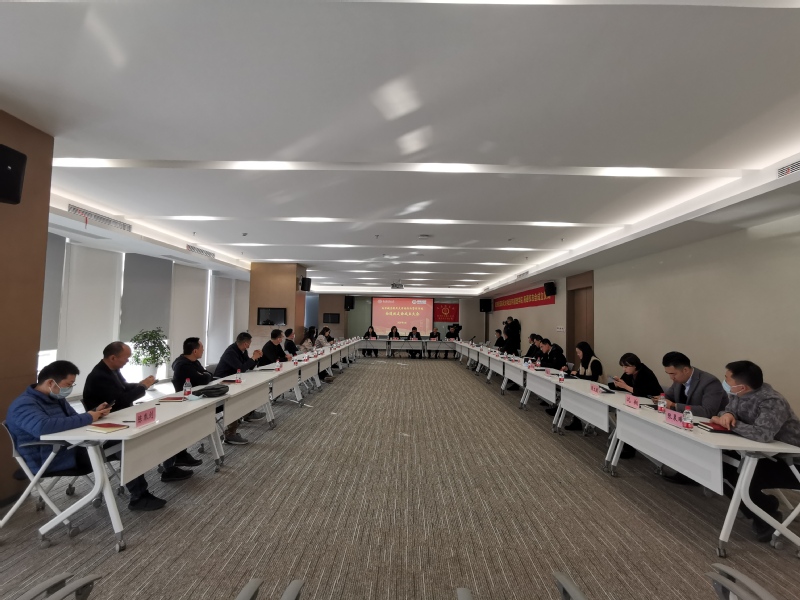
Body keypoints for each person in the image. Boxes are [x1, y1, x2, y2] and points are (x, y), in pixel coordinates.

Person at [7, 360, 166, 511]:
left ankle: (139, 494)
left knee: (128, 443)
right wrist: (89, 417)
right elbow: (42, 427)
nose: (70, 388)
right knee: (126, 447)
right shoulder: (24, 404)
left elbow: (73, 419)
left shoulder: (56, 398)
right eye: (68, 384)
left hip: (70, 446)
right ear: (50, 383)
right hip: (50, 457)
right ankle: (139, 497)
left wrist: (95, 412)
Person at [712, 360, 800, 542]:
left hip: (792, 461)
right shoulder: (738, 394)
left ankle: (766, 518)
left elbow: (762, 434)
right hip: (765, 454)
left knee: (744, 477)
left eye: (727, 378)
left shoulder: (772, 401)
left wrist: (731, 425)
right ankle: (766, 507)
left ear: (742, 386)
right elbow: (727, 412)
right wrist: (727, 415)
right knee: (721, 466)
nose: (725, 381)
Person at [83, 342, 197, 480]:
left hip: (122, 415)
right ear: (113, 357)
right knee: (149, 436)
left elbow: (124, 387)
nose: (128, 361)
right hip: (109, 424)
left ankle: (170, 467)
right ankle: (141, 490)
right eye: (126, 358)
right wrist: (143, 387)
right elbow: (122, 400)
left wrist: (141, 384)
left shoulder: (112, 369)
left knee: (166, 427)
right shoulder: (99, 376)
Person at [175, 337, 250, 445]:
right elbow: (204, 378)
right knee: (232, 401)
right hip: (194, 401)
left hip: (203, 395)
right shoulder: (182, 365)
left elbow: (208, 375)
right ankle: (230, 434)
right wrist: (204, 376)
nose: (203, 350)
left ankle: (232, 431)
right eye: (202, 347)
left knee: (233, 397)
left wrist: (204, 376)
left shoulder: (194, 362)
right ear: (195, 351)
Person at [214, 332, 266, 426]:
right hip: (223, 380)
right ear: (246, 344)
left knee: (250, 387)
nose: (250, 345)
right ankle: (245, 415)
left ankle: (248, 413)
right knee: (244, 391)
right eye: (250, 343)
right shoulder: (231, 352)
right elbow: (241, 369)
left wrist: (256, 358)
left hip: (234, 378)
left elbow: (248, 366)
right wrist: (253, 358)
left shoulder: (243, 351)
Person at [662, 351, 728, 418]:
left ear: (685, 370)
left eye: (673, 374)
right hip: (683, 420)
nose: (671, 378)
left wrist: (674, 405)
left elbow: (708, 411)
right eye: (668, 373)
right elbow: (668, 396)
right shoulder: (678, 380)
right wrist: (661, 400)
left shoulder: (710, 382)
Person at [558, 342, 603, 430]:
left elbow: (594, 379)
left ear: (585, 351)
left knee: (575, 398)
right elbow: (578, 375)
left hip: (597, 392)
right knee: (573, 396)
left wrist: (577, 375)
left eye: (579, 352)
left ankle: (577, 421)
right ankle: (576, 421)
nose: (578, 355)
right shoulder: (583, 362)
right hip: (585, 389)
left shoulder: (595, 362)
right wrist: (568, 370)